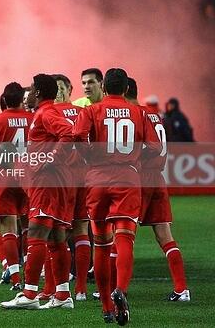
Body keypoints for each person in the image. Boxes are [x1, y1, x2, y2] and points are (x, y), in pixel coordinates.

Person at [73, 68, 161, 325]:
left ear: (104, 86)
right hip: (127, 179)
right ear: (125, 89)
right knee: (124, 239)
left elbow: (77, 136)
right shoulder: (138, 112)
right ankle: (120, 289)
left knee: (100, 243)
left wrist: (90, 157)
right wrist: (134, 159)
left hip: (98, 179)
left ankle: (106, 307)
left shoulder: (91, 110)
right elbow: (155, 147)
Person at [1, 74, 75, 310]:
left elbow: (69, 133)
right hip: (56, 182)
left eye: (31, 90)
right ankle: (63, 296)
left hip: (48, 182)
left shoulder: (46, 113)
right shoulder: (43, 113)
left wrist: (51, 159)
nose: (27, 94)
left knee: (36, 233)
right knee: (56, 239)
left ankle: (29, 293)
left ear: (39, 93)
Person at [125, 78, 190, 302]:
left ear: (123, 92)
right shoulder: (157, 116)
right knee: (165, 236)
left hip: (140, 178)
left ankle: (117, 288)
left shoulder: (135, 114)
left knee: (123, 234)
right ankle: (182, 289)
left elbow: (143, 147)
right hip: (158, 179)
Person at [0, 82, 33, 290]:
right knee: (30, 226)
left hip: (2, 179)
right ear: (22, 99)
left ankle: (17, 280)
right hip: (29, 178)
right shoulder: (33, 119)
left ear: (4, 100)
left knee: (8, 228)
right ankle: (32, 273)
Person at [52, 74, 91, 302]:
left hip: (64, 180)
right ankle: (78, 289)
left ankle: (67, 288)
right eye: (55, 88)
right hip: (81, 177)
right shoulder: (83, 113)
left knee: (61, 233)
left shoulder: (49, 114)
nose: (58, 92)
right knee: (80, 231)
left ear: (69, 90)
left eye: (61, 88)